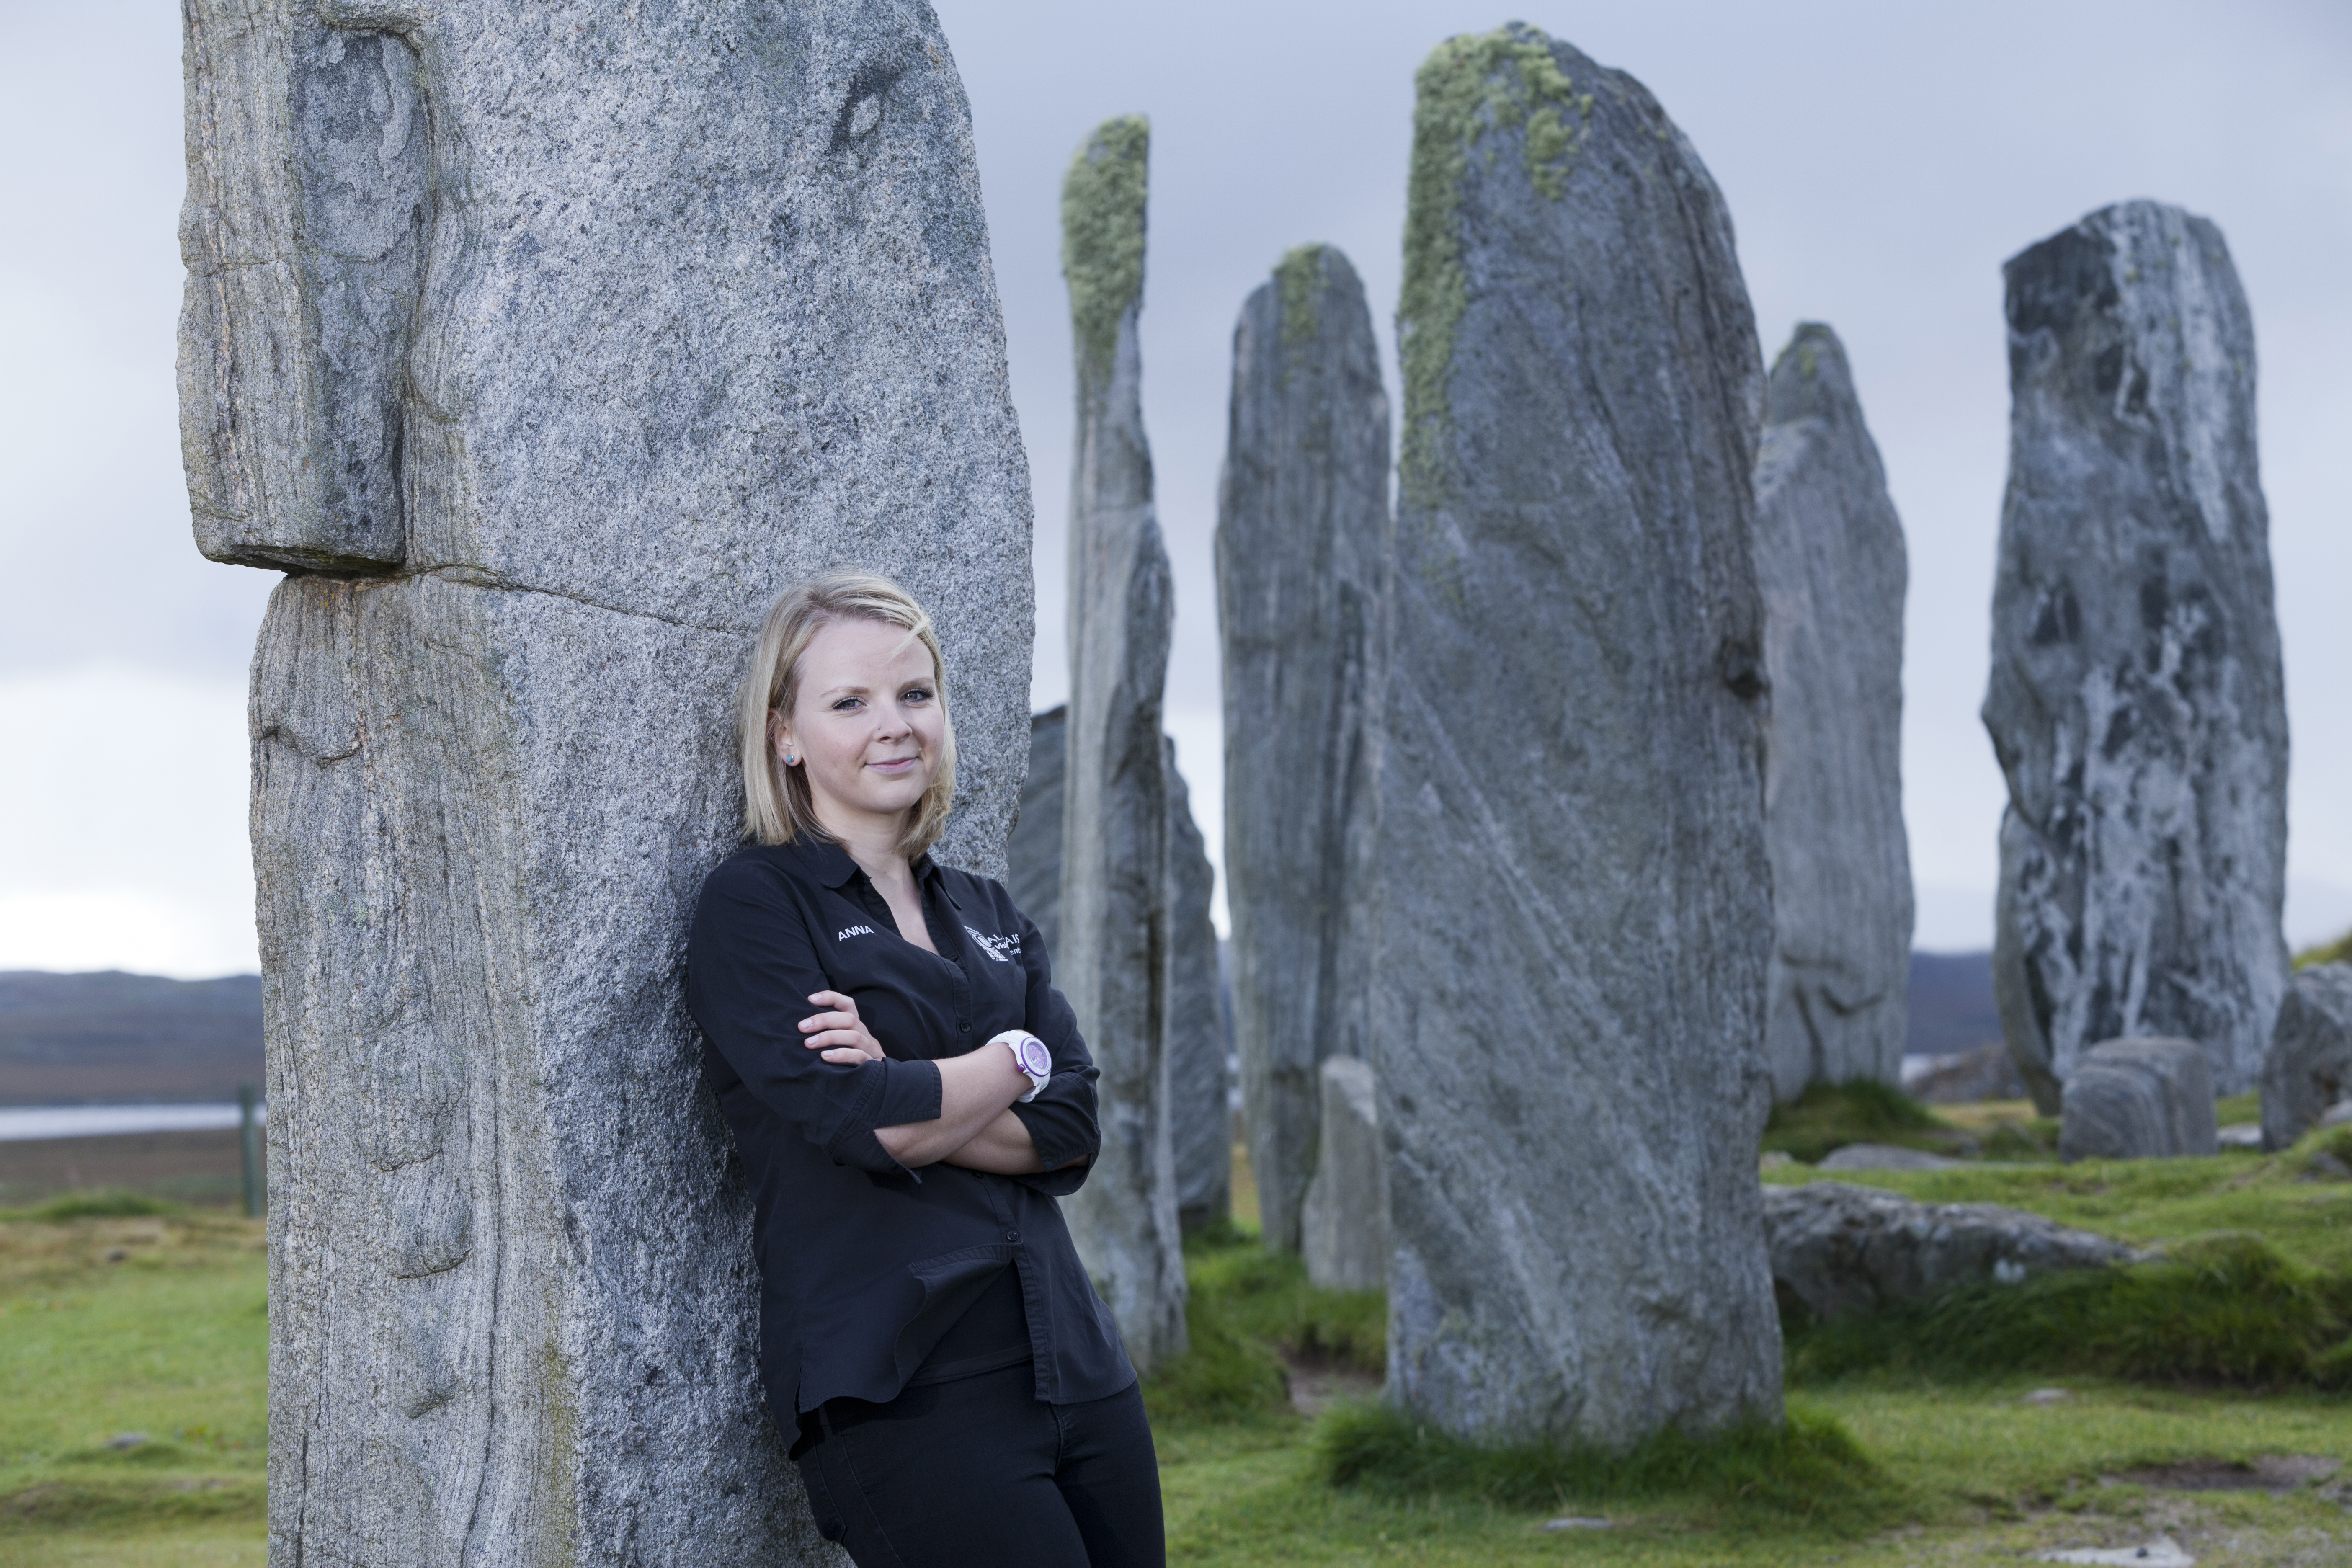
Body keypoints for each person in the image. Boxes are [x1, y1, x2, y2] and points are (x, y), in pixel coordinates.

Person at [686, 571, 1164, 1568]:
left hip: (1075, 1361)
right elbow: (864, 1122)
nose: (894, 724)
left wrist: (933, 1074)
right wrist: (1011, 1060)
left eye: (915, 694)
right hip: (906, 1387)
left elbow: (1073, 1130)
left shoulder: (991, 913)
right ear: (786, 732)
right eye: (850, 702)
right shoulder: (756, 908)